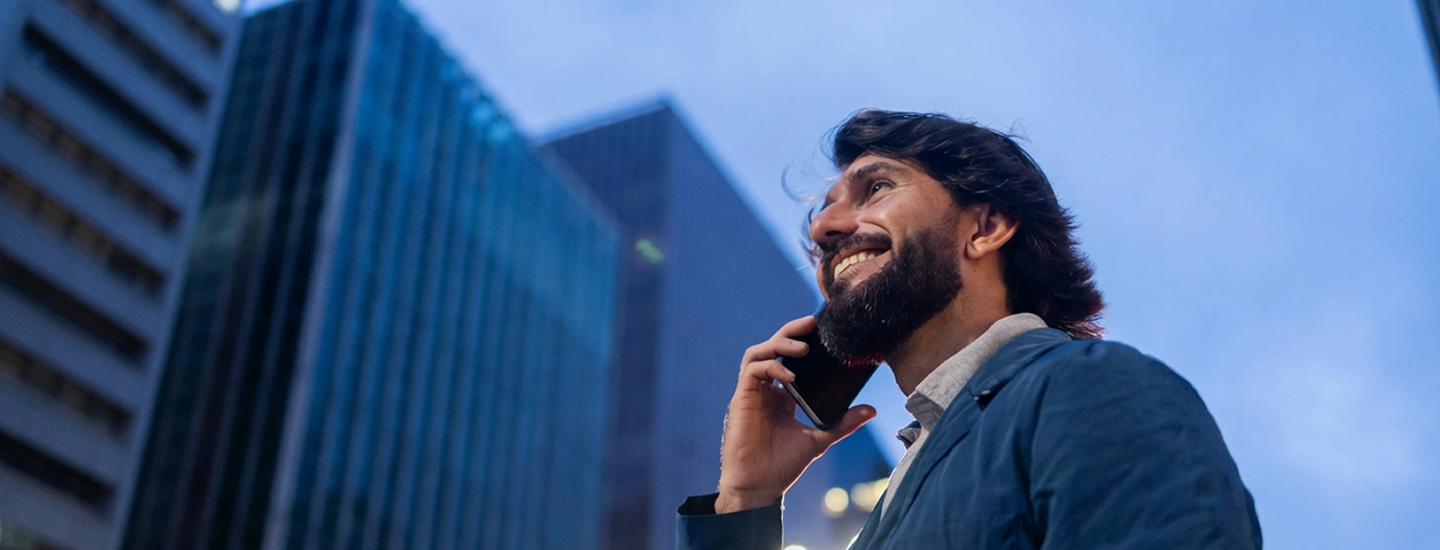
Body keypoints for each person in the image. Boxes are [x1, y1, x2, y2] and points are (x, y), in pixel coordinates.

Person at [676, 109, 1262, 549]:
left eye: (877, 187)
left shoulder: (1092, 389)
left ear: (985, 227)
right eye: (822, 212)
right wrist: (746, 500)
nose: (824, 227)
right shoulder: (909, 477)